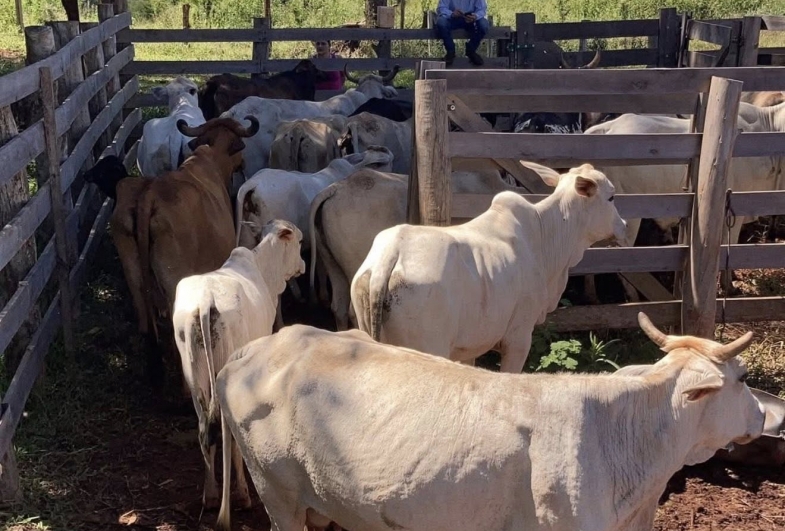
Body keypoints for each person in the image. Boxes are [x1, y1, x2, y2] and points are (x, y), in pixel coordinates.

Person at [435, 0, 489, 66]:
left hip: (472, 20)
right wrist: (452, 13)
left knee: (484, 25)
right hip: (453, 19)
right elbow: (441, 8)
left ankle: (471, 50)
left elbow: (482, 9)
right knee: (441, 22)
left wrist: (475, 16)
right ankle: (450, 51)